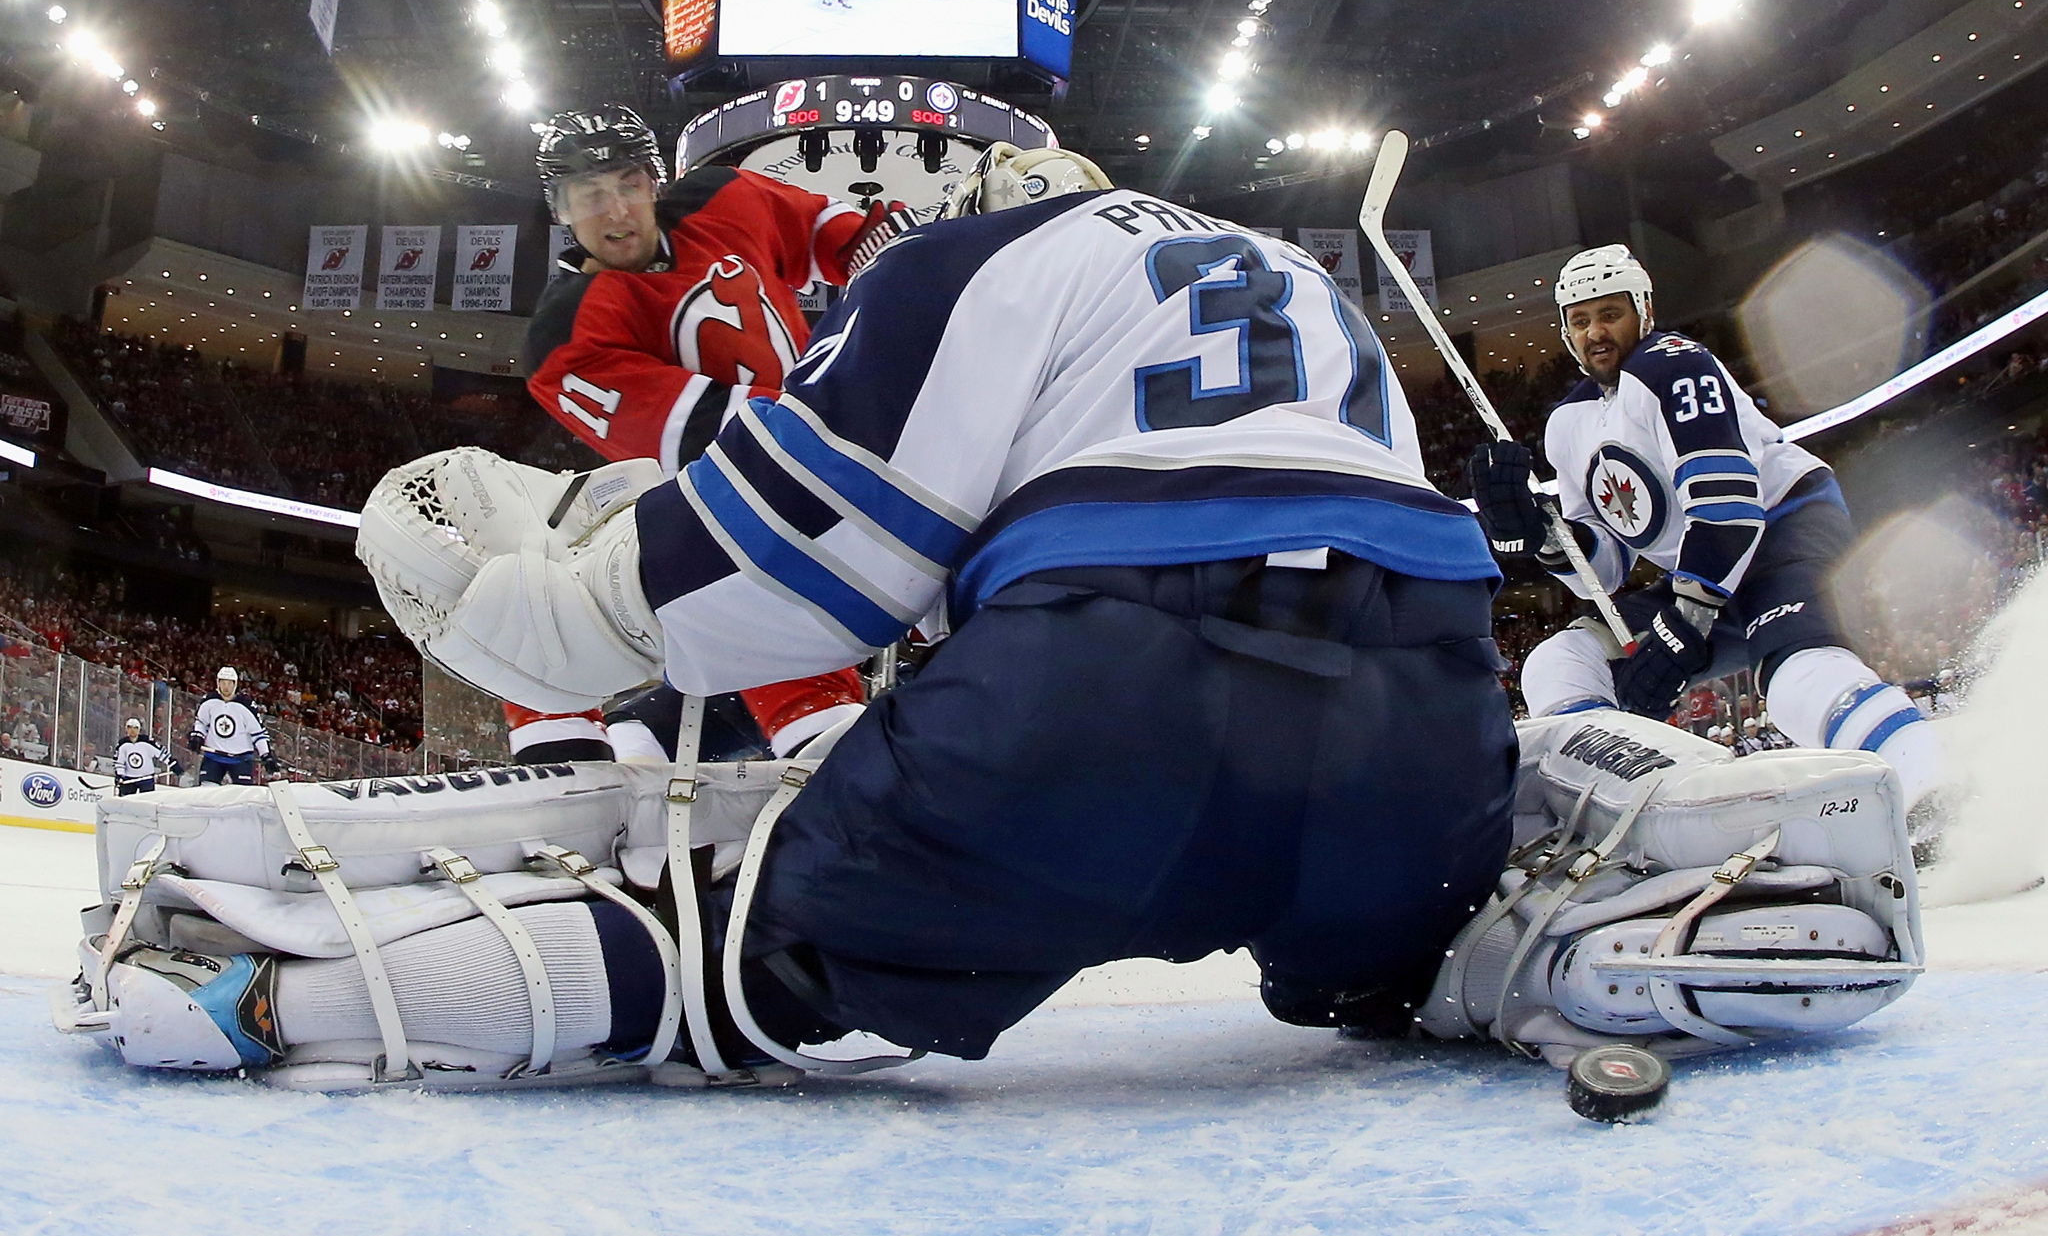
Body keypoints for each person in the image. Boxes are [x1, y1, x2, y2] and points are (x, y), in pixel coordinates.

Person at [352, 140, 1517, 1067]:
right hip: (1423, 717)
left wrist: (585, 608)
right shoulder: (1307, 278)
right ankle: (1484, 932)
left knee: (752, 947)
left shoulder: (979, 257)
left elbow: (809, 546)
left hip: (1111, 697)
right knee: (1382, 965)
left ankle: (281, 990)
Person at [1465, 244, 1951, 854]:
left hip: (1779, 529)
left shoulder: (1675, 365)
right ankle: (1619, 818)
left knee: (1799, 673)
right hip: (1701, 572)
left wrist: (1682, 625)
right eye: (1580, 320)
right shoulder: (1568, 423)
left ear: (1643, 310)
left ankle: (1938, 795)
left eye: (1610, 313)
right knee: (1557, 662)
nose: (1595, 332)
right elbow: (1607, 567)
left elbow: (1729, 508)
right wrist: (1540, 534)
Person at [518, 106, 911, 762]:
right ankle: (568, 761)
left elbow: (826, 231)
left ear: (655, 182)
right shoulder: (566, 332)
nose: (616, 210)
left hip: (831, 459)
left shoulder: (727, 196)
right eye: (591, 195)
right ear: (561, 210)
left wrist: (910, 262)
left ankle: (669, 739)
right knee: (535, 577)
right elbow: (708, 435)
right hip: (728, 502)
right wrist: (852, 406)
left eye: (628, 184)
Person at [188, 666, 276, 785]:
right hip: (213, 756)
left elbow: (258, 733)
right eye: (223, 682)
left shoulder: (246, 705)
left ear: (235, 684)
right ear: (217, 683)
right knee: (206, 792)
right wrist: (197, 735)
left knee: (242, 797)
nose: (226, 686)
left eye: (229, 683)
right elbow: (201, 722)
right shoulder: (209, 700)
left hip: (241, 759)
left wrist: (266, 755)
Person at [112, 717, 176, 795]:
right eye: (129, 727)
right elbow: (119, 762)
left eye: (135, 728)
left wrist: (173, 764)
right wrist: (120, 775)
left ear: (139, 729)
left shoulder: (147, 742)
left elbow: (161, 753)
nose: (132, 730)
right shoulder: (122, 744)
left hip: (146, 778)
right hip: (129, 778)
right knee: (127, 802)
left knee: (147, 801)